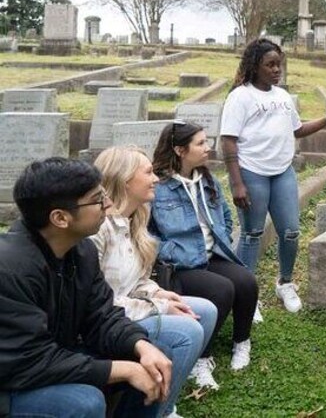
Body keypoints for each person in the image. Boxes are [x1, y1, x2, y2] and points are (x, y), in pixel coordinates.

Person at [0, 157, 172, 418]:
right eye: (97, 199)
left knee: (154, 359)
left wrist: (139, 345)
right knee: (83, 402)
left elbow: (101, 316)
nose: (109, 204)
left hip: (50, 356)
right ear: (60, 218)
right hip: (11, 378)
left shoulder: (81, 250)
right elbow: (29, 360)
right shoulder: (10, 268)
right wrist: (125, 369)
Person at [91, 146, 218, 417]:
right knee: (188, 332)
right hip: (105, 321)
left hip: (129, 309)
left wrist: (159, 292)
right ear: (125, 181)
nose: (156, 178)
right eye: (148, 172)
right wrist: (158, 307)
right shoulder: (98, 230)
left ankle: (165, 405)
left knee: (205, 310)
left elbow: (136, 281)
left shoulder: (134, 220)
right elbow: (97, 302)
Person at [221, 37, 326, 316]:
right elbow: (228, 141)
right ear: (254, 66)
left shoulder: (283, 97)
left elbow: (297, 130)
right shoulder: (241, 97)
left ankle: (285, 283)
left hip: (282, 172)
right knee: (251, 234)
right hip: (253, 173)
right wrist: (237, 183)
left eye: (279, 65)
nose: (277, 70)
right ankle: (247, 296)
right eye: (270, 65)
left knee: (290, 231)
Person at [149, 120, 259, 388]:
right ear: (179, 150)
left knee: (246, 281)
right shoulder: (159, 187)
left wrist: (220, 236)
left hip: (212, 256)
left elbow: (224, 216)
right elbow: (147, 234)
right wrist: (174, 251)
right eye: (200, 143)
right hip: (181, 265)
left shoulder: (207, 181)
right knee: (222, 290)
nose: (207, 147)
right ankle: (201, 357)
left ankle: (241, 341)